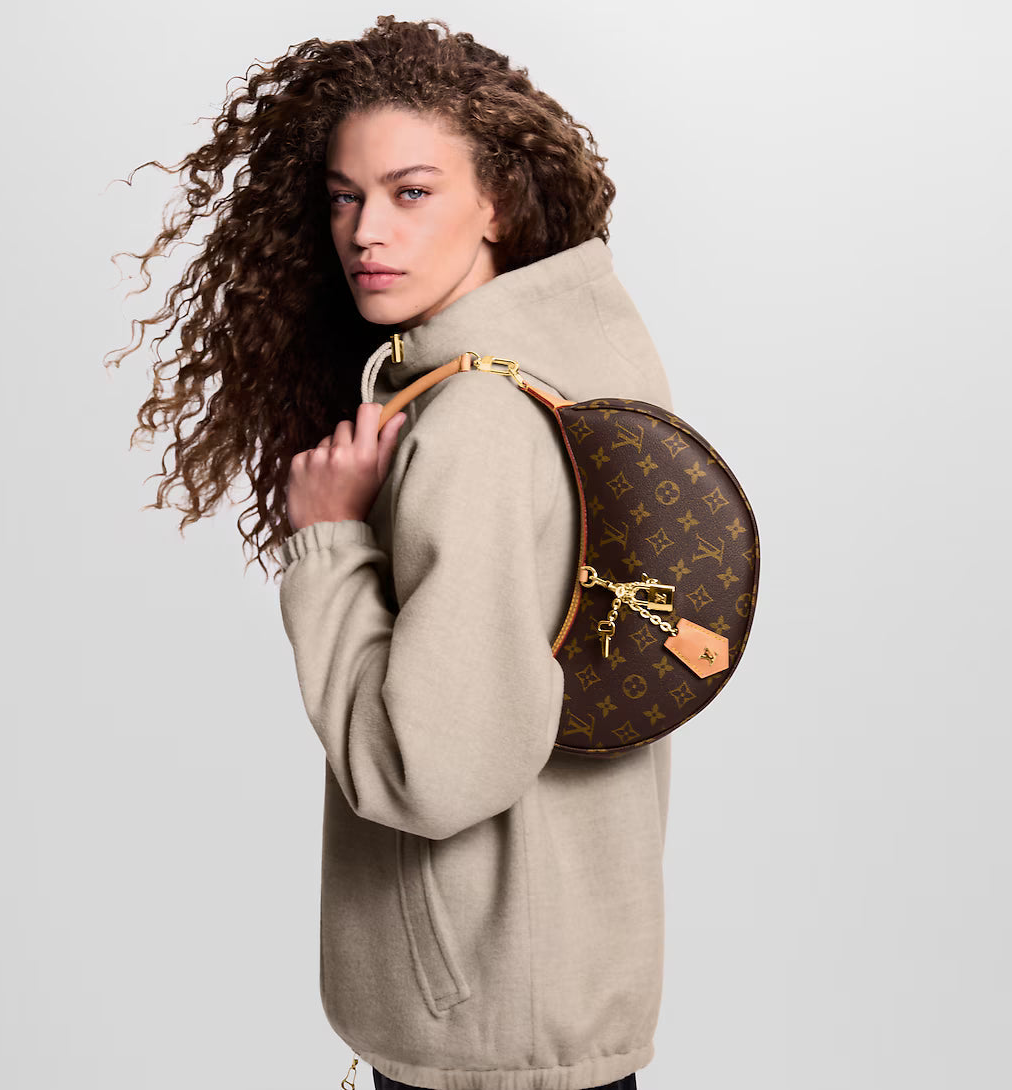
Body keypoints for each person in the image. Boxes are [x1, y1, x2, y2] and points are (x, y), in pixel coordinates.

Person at [110, 16, 673, 1090]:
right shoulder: (571, 363)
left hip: (487, 1019)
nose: (366, 231)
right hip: (555, 982)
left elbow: (430, 774)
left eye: (411, 192)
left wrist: (327, 543)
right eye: (343, 196)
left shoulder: (476, 424)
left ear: (497, 201)